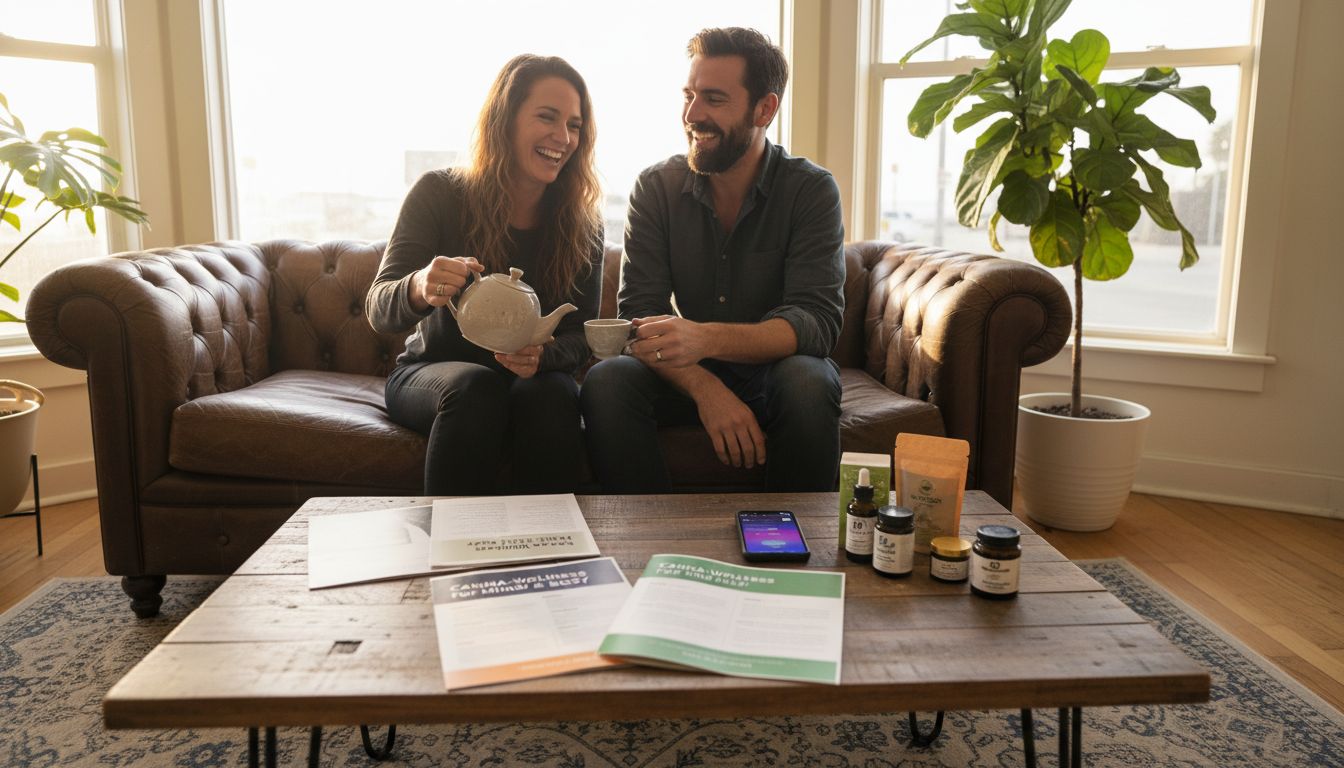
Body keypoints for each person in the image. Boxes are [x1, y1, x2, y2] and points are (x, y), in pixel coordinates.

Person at [581, 27, 845, 493]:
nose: (692, 114)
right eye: (689, 95)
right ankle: (646, 543)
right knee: (608, 380)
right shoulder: (656, 188)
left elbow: (815, 323)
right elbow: (638, 317)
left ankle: (794, 552)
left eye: (714, 99)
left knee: (808, 380)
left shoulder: (810, 190)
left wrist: (704, 338)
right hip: (685, 378)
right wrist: (707, 389)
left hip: (775, 377)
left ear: (765, 108)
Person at [367, 54, 603, 495]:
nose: (564, 137)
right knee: (477, 388)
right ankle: (452, 559)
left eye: (574, 125)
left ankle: (553, 555)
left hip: (531, 381)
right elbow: (379, 308)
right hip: (430, 374)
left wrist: (541, 358)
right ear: (505, 120)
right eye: (547, 118)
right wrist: (420, 285)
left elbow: (579, 335)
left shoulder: (582, 222)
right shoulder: (439, 192)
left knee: (552, 394)